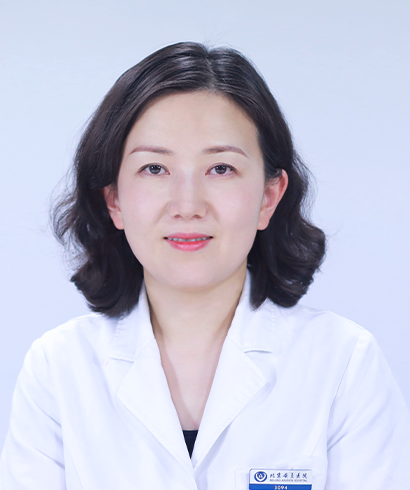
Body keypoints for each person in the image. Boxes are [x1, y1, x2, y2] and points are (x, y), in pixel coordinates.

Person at [1, 42, 409, 490]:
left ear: (268, 197)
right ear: (114, 200)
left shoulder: (343, 364)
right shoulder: (59, 369)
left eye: (221, 169)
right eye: (155, 169)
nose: (188, 205)